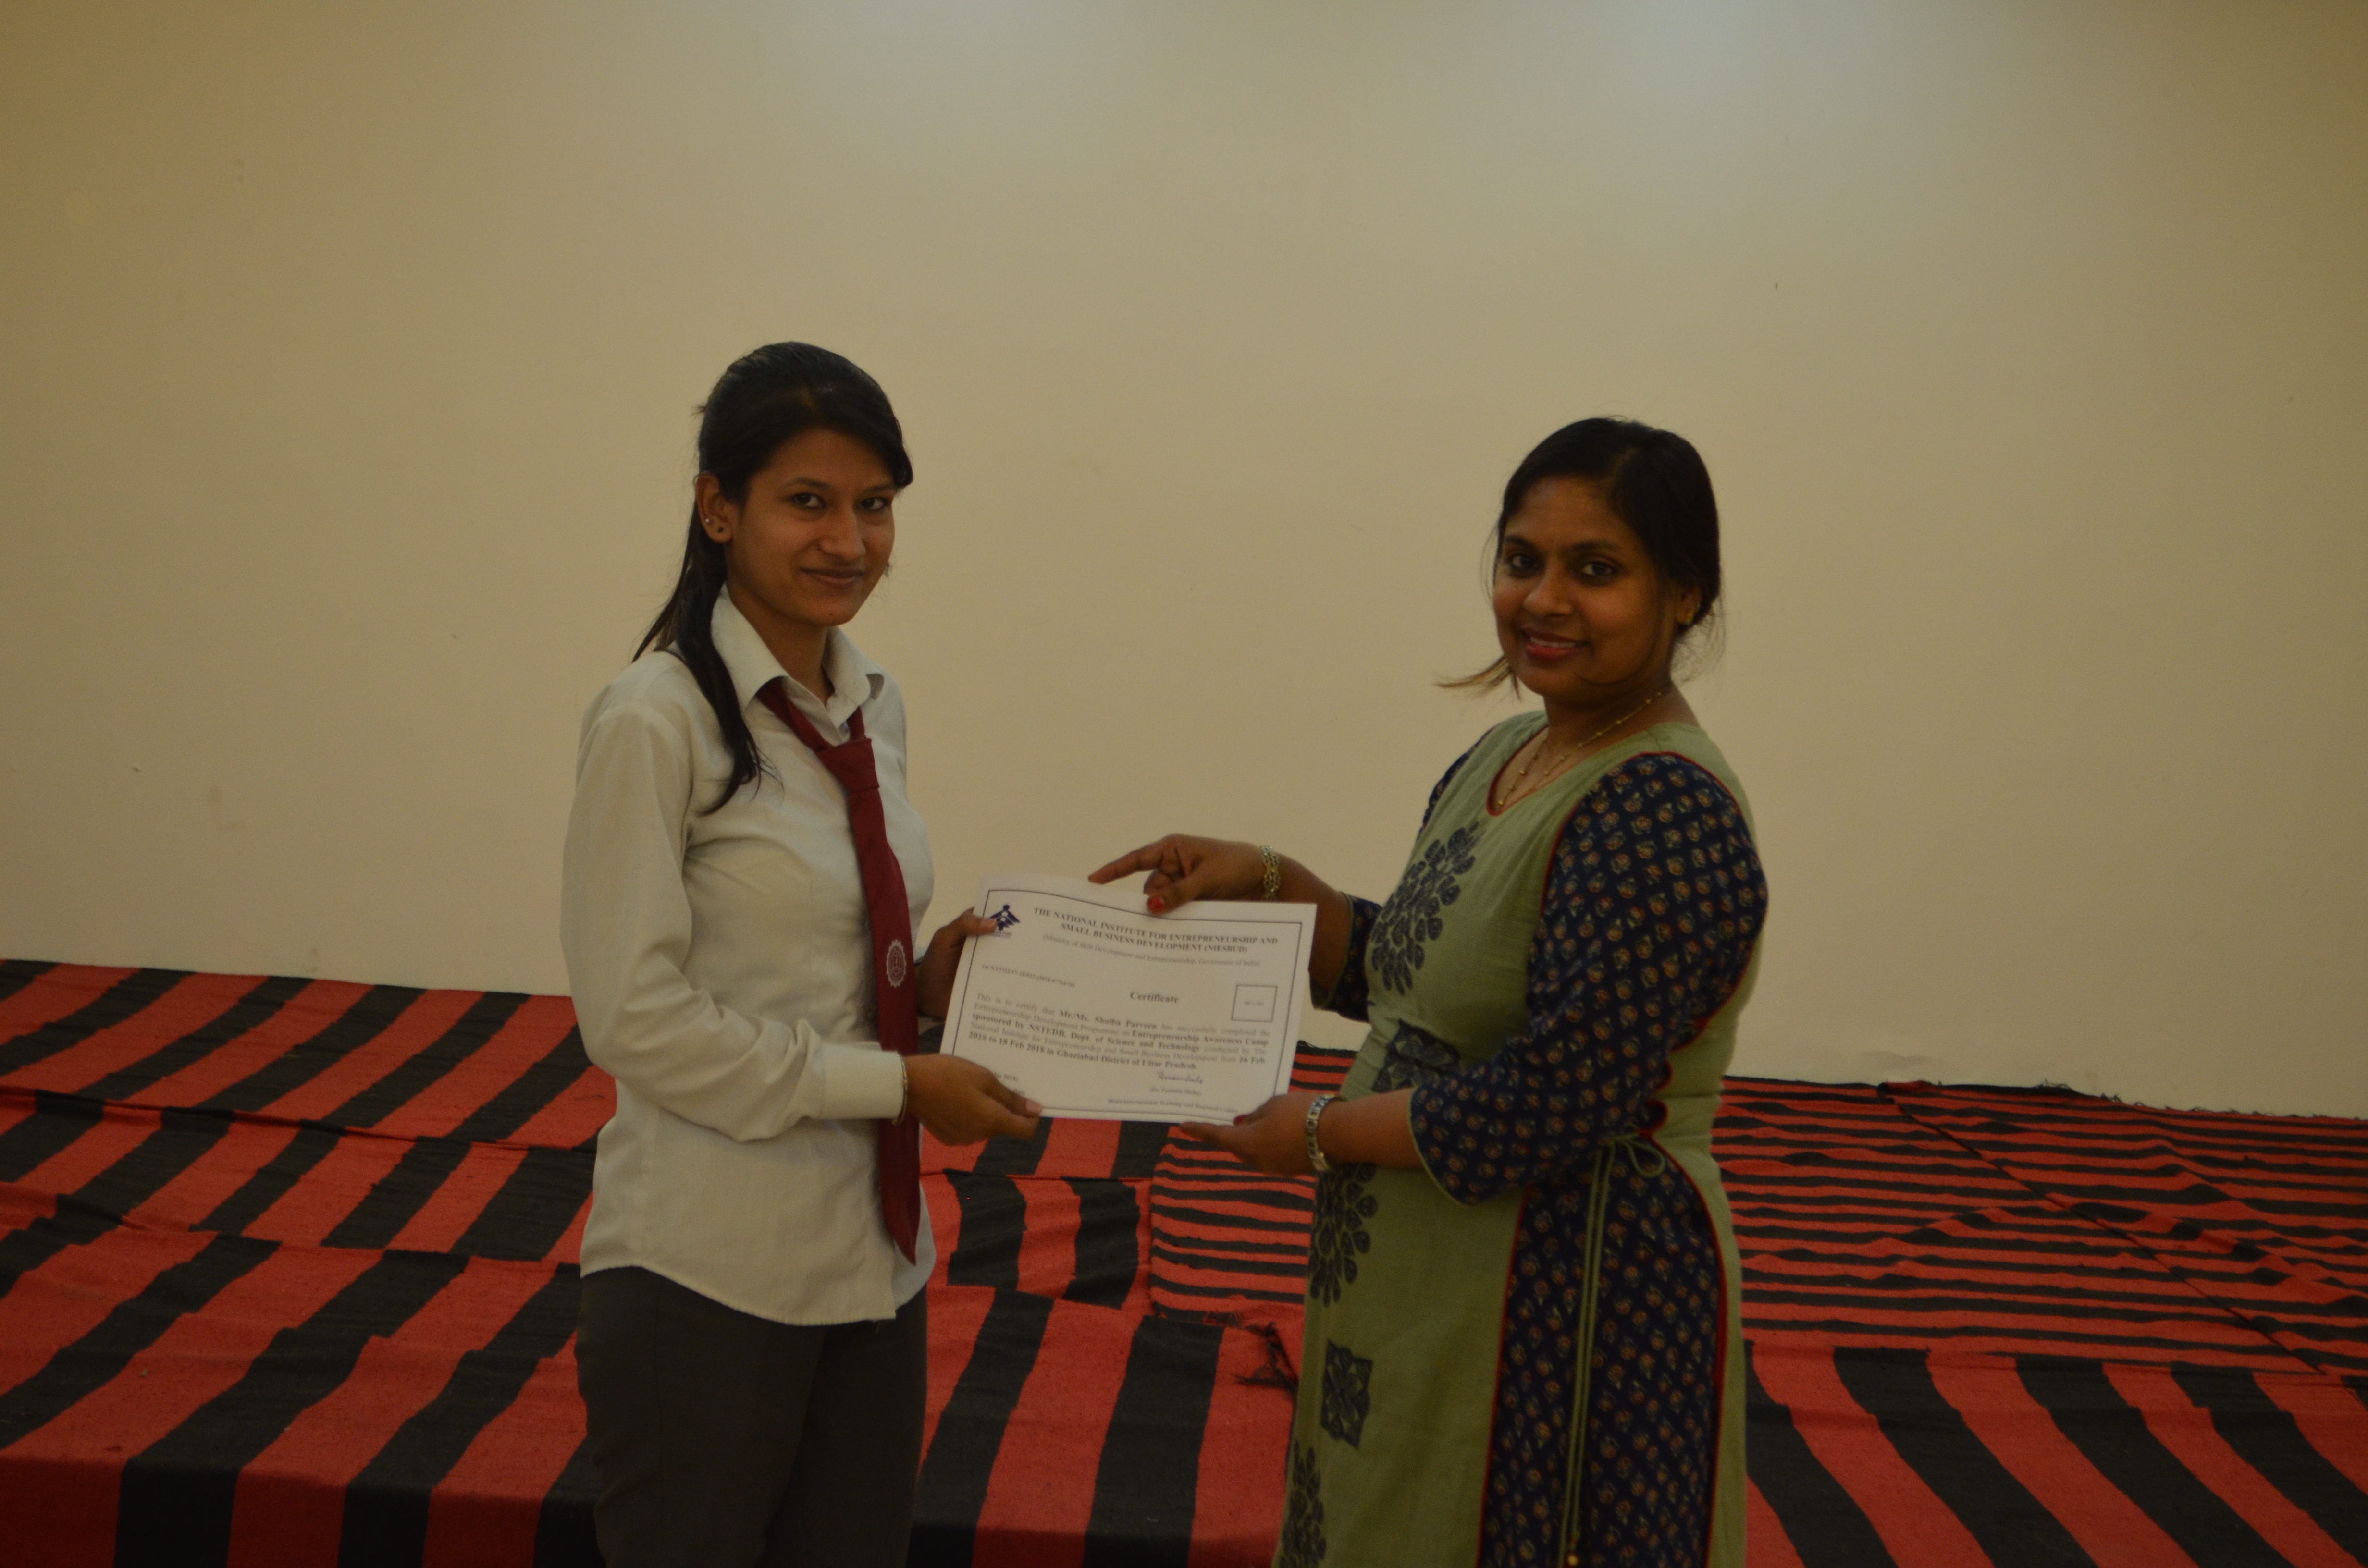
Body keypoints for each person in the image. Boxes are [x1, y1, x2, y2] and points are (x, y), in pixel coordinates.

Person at [1092, 418, 1768, 1568]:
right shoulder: (1508, 754)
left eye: (1595, 569)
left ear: (1685, 592)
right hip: (1426, 1284)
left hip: (1564, 1301)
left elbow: (1552, 1101)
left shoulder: (1660, 809)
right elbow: (1411, 976)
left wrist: (1315, 1131)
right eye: (1521, 560)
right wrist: (1269, 882)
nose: (1543, 599)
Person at [560, 342, 1040, 1568]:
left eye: (874, 506)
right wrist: (897, 1085)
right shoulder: (655, 718)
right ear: (719, 508)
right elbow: (634, 1017)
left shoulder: (872, 700)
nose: (848, 541)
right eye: (807, 502)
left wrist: (928, 980)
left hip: (875, 1263)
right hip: (708, 1270)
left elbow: (814, 957)